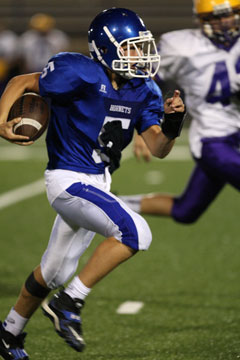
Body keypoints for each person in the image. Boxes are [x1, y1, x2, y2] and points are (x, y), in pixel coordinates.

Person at [0, 7, 185, 360]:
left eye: (141, 47)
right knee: (136, 233)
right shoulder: (78, 72)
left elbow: (158, 147)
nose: (139, 55)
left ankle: (9, 332)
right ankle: (70, 302)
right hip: (67, 178)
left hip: (98, 183)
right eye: (131, 47)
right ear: (106, 47)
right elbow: (19, 82)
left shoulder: (144, 89)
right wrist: (1, 121)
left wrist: (174, 123)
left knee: (54, 271)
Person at [120, 0, 240, 223]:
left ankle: (116, 204)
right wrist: (142, 126)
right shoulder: (182, 46)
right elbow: (144, 81)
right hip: (213, 138)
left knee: (186, 211)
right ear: (201, 20)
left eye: (229, 15)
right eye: (215, 17)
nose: (223, 22)